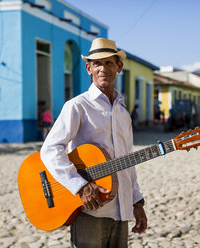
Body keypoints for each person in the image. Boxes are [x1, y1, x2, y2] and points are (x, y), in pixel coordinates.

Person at [40, 38, 147, 248]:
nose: (103, 68)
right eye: (97, 63)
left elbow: (127, 163)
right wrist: (79, 186)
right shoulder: (77, 107)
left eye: (109, 63)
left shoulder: (123, 115)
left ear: (119, 66)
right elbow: (50, 149)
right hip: (89, 209)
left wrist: (137, 202)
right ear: (88, 69)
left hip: (120, 209)